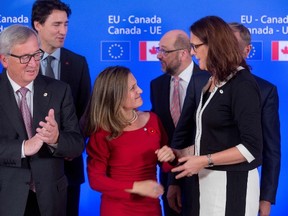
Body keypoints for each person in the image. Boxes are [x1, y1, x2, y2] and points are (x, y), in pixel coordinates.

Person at [171, 16, 263, 216]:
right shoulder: (211, 81)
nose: (192, 53)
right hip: (205, 184)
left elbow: (251, 147)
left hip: (233, 187)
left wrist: (204, 160)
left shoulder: (242, 84)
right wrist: (178, 153)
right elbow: (209, 137)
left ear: (214, 45)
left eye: (195, 46)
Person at [0, 24, 84, 216]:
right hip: (7, 198)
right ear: (4, 60)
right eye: (24, 57)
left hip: (51, 199)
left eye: (36, 54)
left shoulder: (59, 90)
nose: (33, 63)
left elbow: (76, 145)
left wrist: (56, 139)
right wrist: (23, 148)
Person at [84, 66, 176, 216]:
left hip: (151, 208)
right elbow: (96, 180)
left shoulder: (153, 120)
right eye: (133, 88)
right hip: (118, 209)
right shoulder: (102, 133)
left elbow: (165, 165)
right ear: (116, 95)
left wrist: (171, 157)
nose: (140, 90)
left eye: (137, 85)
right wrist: (136, 187)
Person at [31, 1, 91, 215]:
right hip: (28, 167)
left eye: (66, 25)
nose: (63, 31)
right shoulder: (21, 61)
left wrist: (70, 146)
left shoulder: (78, 63)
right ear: (38, 24)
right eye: (56, 25)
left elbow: (86, 111)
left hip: (68, 166)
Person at [150, 29, 209, 216]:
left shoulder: (209, 80)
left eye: (164, 51)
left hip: (205, 175)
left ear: (183, 53)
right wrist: (172, 180)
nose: (158, 55)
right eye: (158, 50)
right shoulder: (156, 85)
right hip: (170, 176)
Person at [230, 22, 281, 216]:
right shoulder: (202, 84)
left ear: (247, 50)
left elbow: (271, 149)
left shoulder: (265, 91)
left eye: (232, 45)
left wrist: (266, 198)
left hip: (243, 184)